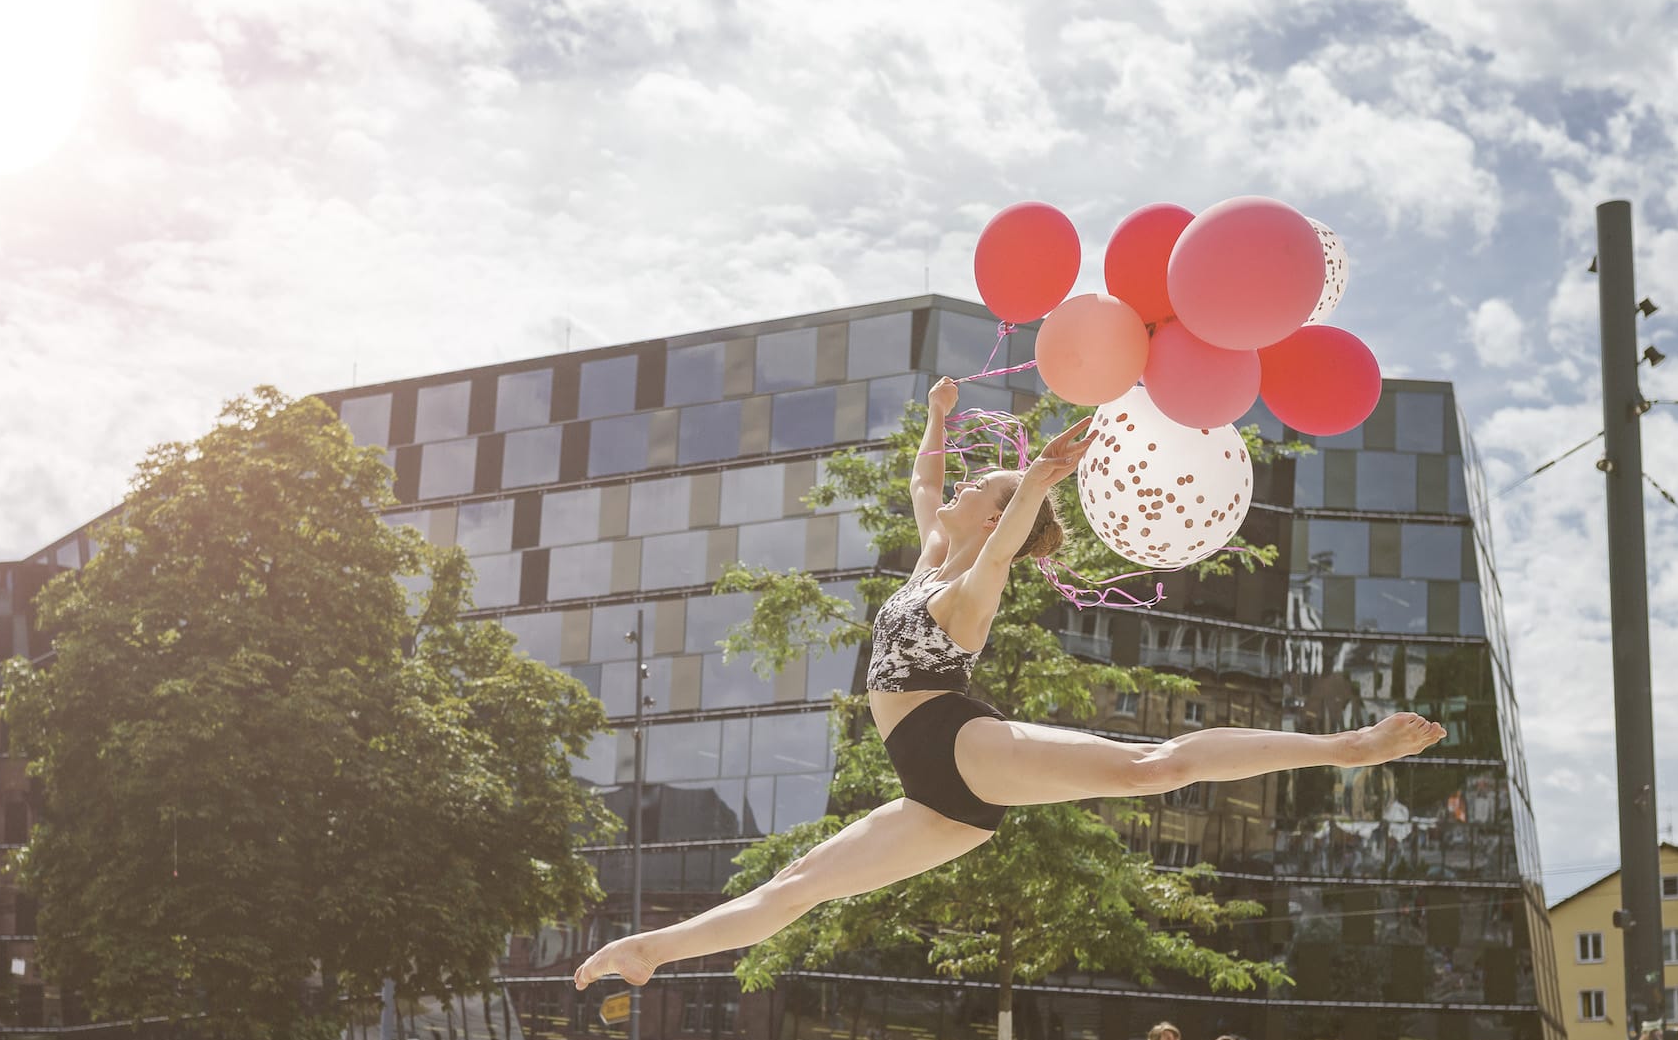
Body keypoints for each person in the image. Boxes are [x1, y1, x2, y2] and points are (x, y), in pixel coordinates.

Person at [572, 379, 1446, 994]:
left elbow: (999, 545)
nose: (954, 488)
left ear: (997, 516)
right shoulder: (930, 559)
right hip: (936, 796)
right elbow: (923, 481)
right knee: (800, 885)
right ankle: (652, 950)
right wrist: (937, 417)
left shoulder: (969, 591)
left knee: (1153, 768)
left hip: (960, 743)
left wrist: (1032, 483)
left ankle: (1346, 746)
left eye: (977, 489)